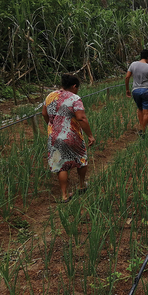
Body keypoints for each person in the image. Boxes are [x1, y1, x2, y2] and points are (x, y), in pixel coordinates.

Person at [42, 74, 95, 203]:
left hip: (54, 137)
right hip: (72, 135)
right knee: (81, 158)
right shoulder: (75, 98)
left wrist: (52, 126)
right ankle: (82, 185)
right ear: (74, 86)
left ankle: (64, 195)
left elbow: (44, 113)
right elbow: (81, 118)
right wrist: (90, 135)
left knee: (61, 165)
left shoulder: (50, 96)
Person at [125, 49, 148, 136]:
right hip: (146, 91)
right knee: (146, 112)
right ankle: (143, 131)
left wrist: (127, 90)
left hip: (135, 91)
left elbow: (127, 77)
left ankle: (141, 128)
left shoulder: (133, 64)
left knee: (140, 109)